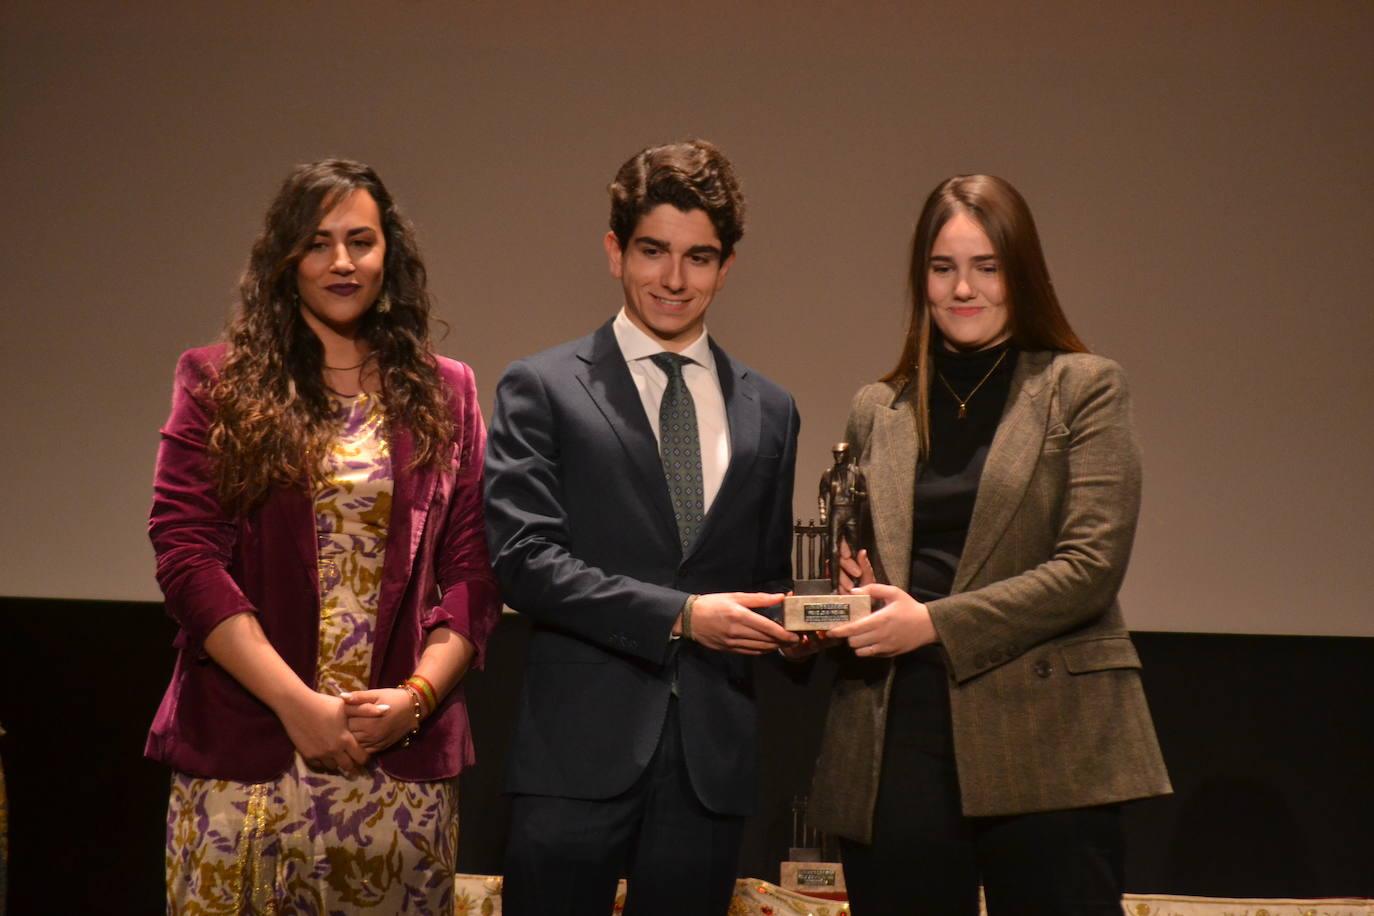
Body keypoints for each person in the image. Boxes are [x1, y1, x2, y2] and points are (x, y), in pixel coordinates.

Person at [804, 174, 1171, 915]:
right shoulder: (881, 407)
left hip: (1051, 732)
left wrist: (934, 622)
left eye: (986, 267)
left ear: (1021, 273)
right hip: (899, 725)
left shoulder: (1084, 388)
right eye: (943, 269)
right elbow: (872, 564)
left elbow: (1089, 570)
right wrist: (851, 590)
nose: (962, 288)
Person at [145, 159, 501, 913]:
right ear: (285, 262)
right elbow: (186, 558)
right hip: (248, 761)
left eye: (360, 241)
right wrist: (297, 705)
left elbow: (473, 574)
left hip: (396, 770)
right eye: (317, 242)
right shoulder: (217, 381)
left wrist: (416, 699)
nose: (342, 261)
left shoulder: (449, 391)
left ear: (387, 257)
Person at [483, 139, 801, 915]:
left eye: (699, 257)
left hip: (709, 766)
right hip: (575, 757)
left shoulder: (771, 410)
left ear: (727, 266)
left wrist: (820, 613)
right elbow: (523, 561)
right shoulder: (544, 387)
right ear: (614, 251)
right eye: (653, 251)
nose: (673, 278)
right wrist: (685, 618)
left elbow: (766, 579)